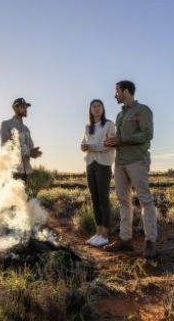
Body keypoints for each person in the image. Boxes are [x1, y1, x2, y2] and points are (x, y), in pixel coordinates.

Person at [103, 80, 157, 259]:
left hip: (137, 161)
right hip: (120, 162)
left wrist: (123, 140)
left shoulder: (143, 110)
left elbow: (147, 134)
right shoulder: (120, 115)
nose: (115, 95)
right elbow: (120, 138)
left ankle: (150, 242)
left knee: (145, 200)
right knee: (123, 201)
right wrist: (112, 141)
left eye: (117, 91)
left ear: (126, 91)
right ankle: (125, 240)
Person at [80, 99, 116, 247]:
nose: (96, 108)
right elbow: (84, 143)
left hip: (103, 164)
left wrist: (91, 147)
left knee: (103, 199)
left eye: (99, 106)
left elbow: (110, 144)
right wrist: (83, 146)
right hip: (90, 164)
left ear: (103, 108)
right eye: (94, 106)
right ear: (90, 109)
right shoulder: (88, 127)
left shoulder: (109, 124)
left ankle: (105, 235)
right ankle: (98, 232)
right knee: (94, 198)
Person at [0, 98, 42, 183]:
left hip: (28, 172)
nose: (25, 109)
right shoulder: (6, 124)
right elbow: (6, 146)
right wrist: (28, 152)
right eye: (22, 107)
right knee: (14, 196)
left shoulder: (26, 129)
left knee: (28, 196)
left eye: (26, 107)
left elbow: (30, 146)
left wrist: (34, 153)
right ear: (15, 108)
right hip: (14, 172)